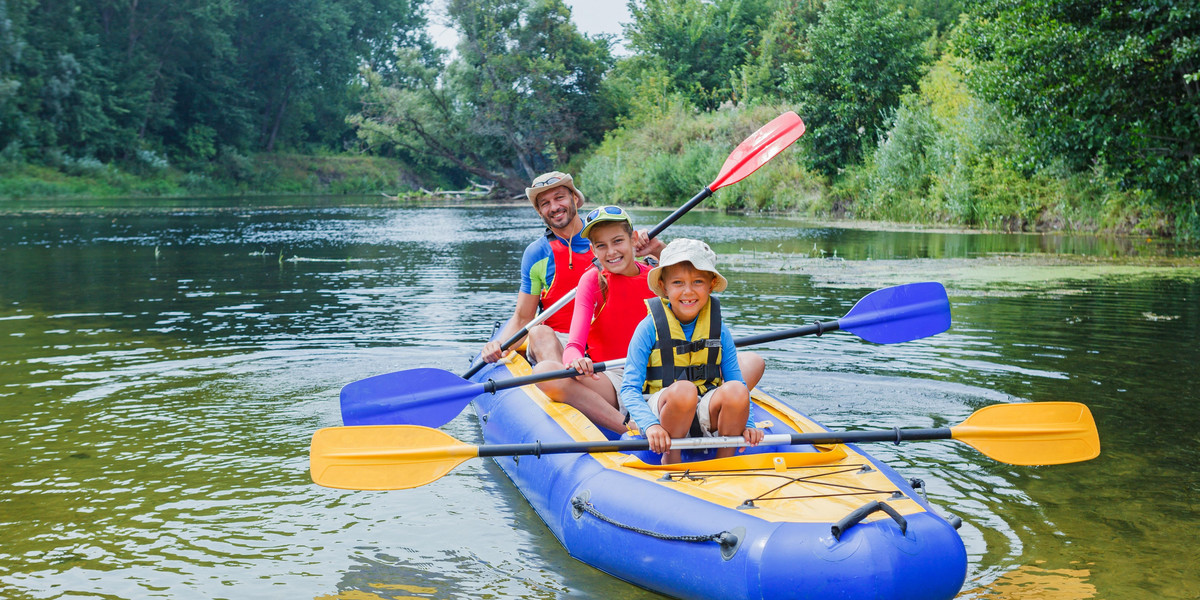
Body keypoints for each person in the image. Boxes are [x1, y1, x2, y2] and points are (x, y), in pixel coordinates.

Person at [479, 172, 661, 367]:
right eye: (545, 203)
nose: (555, 207)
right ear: (540, 212)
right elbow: (524, 317)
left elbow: (668, 279)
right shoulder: (537, 253)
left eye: (559, 197)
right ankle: (565, 385)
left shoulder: (609, 240)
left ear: (575, 198)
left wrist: (658, 249)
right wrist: (500, 345)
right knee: (539, 332)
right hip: (561, 340)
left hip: (612, 337)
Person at [620, 238, 764, 464]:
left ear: (711, 284)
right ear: (664, 286)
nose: (688, 291)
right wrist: (650, 424)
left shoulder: (719, 329)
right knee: (684, 390)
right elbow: (629, 389)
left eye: (698, 281)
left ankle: (723, 463)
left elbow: (738, 382)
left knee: (736, 389)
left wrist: (749, 425)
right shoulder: (648, 327)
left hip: (703, 408)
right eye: (678, 283)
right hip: (664, 409)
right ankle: (671, 459)